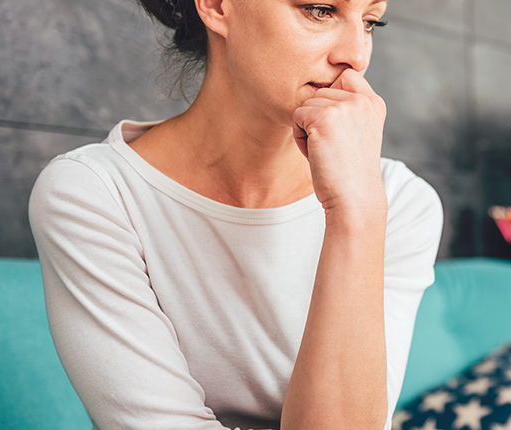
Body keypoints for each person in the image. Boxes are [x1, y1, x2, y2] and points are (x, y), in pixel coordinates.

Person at [27, 0, 443, 429]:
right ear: (216, 6)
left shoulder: (398, 202)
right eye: (320, 10)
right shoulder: (93, 194)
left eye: (371, 21)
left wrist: (355, 213)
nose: (356, 56)